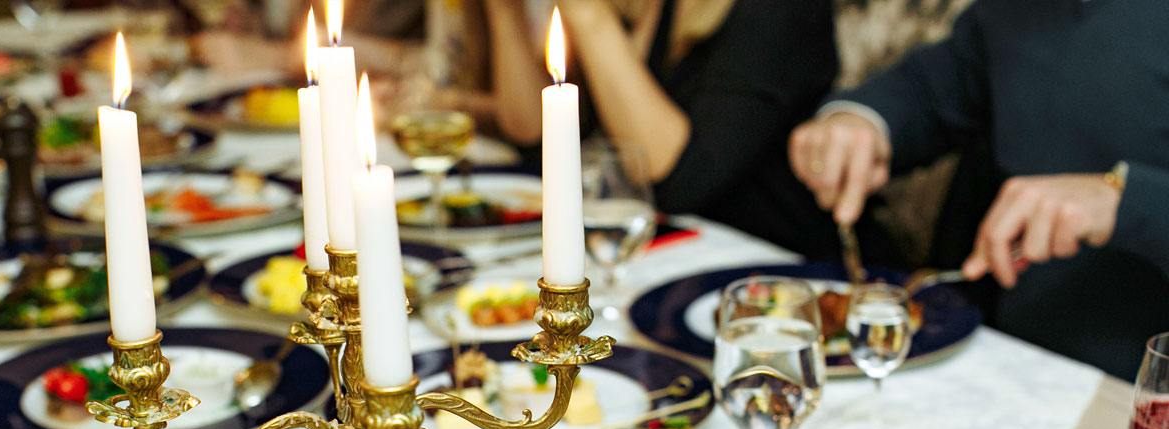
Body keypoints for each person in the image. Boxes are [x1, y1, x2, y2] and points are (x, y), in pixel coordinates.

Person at [788, 0, 1169, 380]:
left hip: (1141, 388)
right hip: (1011, 358)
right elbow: (947, 81)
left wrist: (1126, 200)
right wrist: (861, 121)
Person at [486, 0, 870, 262]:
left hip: (784, 275)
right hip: (675, 266)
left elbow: (680, 181)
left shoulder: (778, 10)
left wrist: (586, 13)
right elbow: (535, 132)